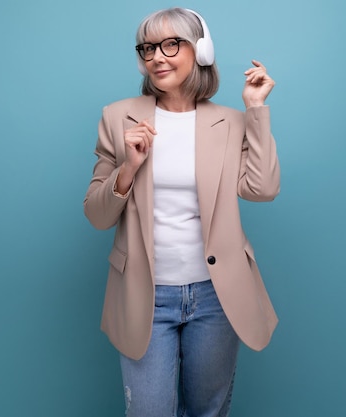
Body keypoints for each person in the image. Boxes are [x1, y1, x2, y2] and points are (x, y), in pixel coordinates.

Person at [83, 7, 280, 417]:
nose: (157, 56)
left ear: (201, 51)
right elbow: (97, 215)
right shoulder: (117, 117)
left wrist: (256, 111)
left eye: (171, 44)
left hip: (215, 296)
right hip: (145, 297)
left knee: (206, 412)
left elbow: (261, 190)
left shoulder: (230, 121)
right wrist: (129, 168)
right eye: (148, 47)